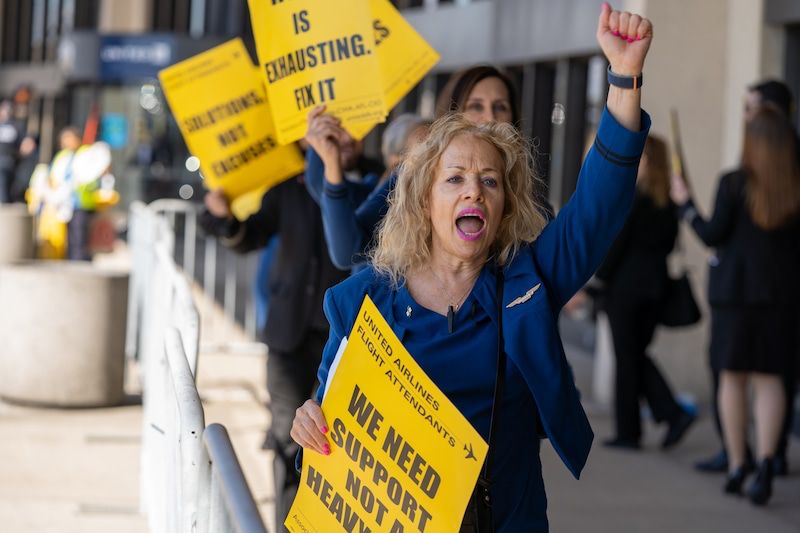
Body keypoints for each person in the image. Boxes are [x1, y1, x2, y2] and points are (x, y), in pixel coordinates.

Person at [291, 4, 652, 530]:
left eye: (490, 181)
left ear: (505, 204)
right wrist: (308, 419)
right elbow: (326, 417)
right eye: (455, 178)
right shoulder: (362, 300)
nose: (474, 191)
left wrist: (623, 76)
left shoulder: (528, 284)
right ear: (423, 201)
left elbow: (596, 210)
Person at [199, 177, 349, 533]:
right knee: (287, 436)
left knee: (333, 442)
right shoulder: (286, 186)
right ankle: (286, 526)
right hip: (288, 336)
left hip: (344, 339)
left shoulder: (371, 181)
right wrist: (222, 218)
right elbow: (250, 235)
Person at [671, 106, 800, 505]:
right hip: (781, 299)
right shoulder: (794, 187)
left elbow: (711, 234)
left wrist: (686, 204)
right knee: (769, 381)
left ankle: (737, 465)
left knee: (732, 380)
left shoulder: (732, 183)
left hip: (734, 299)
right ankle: (765, 467)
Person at [596, 135, 695, 450]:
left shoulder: (635, 200)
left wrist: (598, 278)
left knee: (627, 359)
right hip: (656, 290)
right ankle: (670, 413)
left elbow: (617, 246)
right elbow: (668, 246)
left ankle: (631, 431)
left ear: (651, 163)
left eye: (640, 158)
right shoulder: (668, 204)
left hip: (626, 291)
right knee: (636, 355)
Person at [305, 111, 430, 269]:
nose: (434, 158)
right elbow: (347, 252)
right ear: (396, 161)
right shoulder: (386, 191)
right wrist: (323, 149)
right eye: (424, 151)